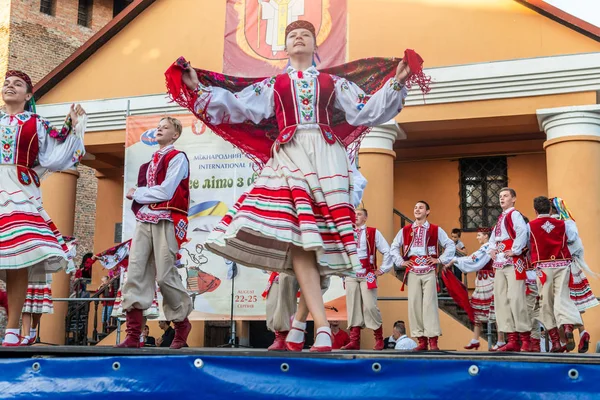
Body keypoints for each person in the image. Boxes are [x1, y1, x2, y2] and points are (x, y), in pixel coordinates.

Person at [170, 20, 416, 352]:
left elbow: (364, 112)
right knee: (302, 238)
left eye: (305, 35)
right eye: (292, 36)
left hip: (327, 157)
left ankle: (300, 326)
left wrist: (396, 84)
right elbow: (239, 106)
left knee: (314, 245)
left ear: (316, 46)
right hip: (290, 155)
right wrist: (199, 89)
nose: (298, 39)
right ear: (285, 48)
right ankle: (324, 328)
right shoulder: (274, 84)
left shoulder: (333, 83)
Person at [0, 70, 86, 347]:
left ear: (28, 96)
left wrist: (72, 125)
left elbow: (56, 155)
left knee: (19, 260)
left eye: (17, 85)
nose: (9, 86)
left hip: (19, 189)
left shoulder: (36, 123)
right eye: (6, 83)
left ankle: (13, 329)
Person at [264, 154, 366, 351]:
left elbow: (357, 181)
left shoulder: (337, 149)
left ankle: (300, 327)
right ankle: (287, 332)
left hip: (324, 217)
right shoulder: (290, 149)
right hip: (296, 217)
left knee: (319, 277)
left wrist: (339, 202)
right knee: (286, 279)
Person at [117, 117, 193, 349]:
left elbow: (167, 190)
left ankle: (181, 323)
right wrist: (141, 195)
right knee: (136, 271)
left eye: (166, 127)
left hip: (167, 219)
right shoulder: (148, 163)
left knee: (165, 274)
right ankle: (133, 334)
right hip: (145, 219)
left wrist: (138, 193)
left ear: (175, 135)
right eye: (158, 126)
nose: (160, 129)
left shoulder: (178, 157)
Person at [389, 201, 455, 351]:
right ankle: (422, 341)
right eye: (415, 207)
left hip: (429, 269)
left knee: (429, 305)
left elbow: (450, 245)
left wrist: (439, 260)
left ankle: (433, 342)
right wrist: (400, 261)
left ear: (428, 212)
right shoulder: (406, 230)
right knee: (414, 305)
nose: (417, 210)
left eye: (421, 208)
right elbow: (393, 246)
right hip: (412, 270)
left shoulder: (435, 229)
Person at [529, 196, 583, 352]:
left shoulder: (530, 226)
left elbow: (526, 245)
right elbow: (573, 238)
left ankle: (556, 342)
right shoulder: (563, 224)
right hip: (562, 264)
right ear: (551, 209)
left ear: (535, 210)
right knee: (562, 298)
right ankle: (567, 327)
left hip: (543, 267)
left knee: (545, 304)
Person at [342, 208, 394, 351]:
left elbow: (387, 250)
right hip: (351, 273)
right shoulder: (347, 233)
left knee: (370, 306)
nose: (356, 216)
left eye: (359, 214)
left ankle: (378, 338)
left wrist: (382, 269)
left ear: (365, 218)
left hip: (368, 274)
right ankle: (354, 340)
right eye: (354, 214)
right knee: (352, 306)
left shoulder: (373, 232)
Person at [444, 227, 503, 350]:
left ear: (486, 236)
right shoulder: (486, 248)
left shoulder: (488, 248)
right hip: (483, 281)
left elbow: (473, 259)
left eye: (479, 235)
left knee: (495, 311)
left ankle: (501, 340)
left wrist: (454, 260)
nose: (477, 237)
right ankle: (475, 339)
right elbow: (473, 258)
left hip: (489, 281)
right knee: (477, 310)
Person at [551, 197, 597, 353]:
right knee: (574, 304)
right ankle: (582, 332)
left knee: (559, 303)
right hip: (573, 266)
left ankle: (566, 334)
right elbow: (576, 244)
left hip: (558, 267)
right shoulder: (569, 223)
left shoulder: (550, 224)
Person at [487, 188, 530, 352]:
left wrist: (516, 249)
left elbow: (522, 231)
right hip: (500, 261)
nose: (501, 199)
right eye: (500, 196)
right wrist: (491, 249)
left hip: (513, 261)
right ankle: (511, 338)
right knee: (501, 300)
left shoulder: (514, 214)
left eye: (505, 196)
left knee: (516, 298)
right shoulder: (500, 217)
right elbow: (493, 238)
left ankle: (525, 339)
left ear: (514, 199)